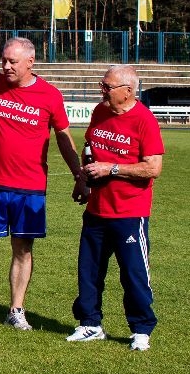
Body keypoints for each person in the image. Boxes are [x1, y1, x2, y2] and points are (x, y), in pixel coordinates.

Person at [0, 38, 82, 332]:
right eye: (3, 60)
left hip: (30, 187)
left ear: (30, 62)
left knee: (23, 248)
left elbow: (64, 137)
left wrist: (79, 175)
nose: (6, 66)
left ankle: (16, 310)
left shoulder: (50, 95)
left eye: (12, 61)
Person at [68, 65, 164, 351]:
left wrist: (112, 168)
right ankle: (90, 324)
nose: (102, 91)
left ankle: (141, 329)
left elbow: (153, 167)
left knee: (133, 273)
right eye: (102, 85)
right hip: (97, 209)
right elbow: (89, 149)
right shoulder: (100, 112)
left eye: (107, 87)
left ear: (128, 91)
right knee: (89, 271)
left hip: (129, 213)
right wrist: (83, 181)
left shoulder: (144, 120)